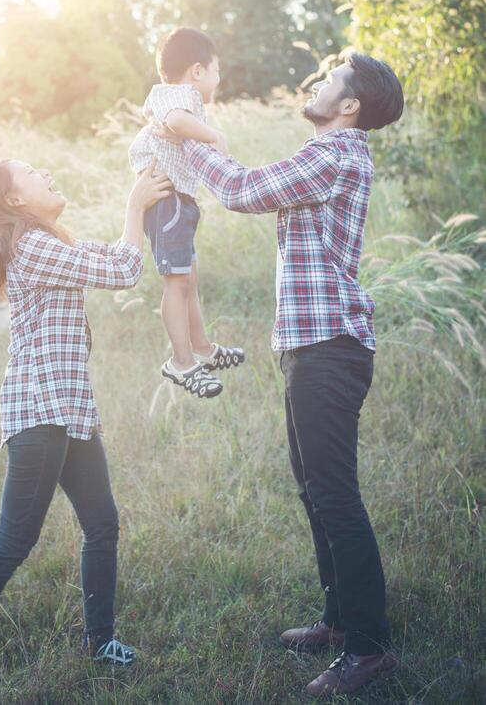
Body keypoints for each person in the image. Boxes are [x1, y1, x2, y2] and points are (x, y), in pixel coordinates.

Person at [157, 53, 404, 699]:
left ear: (350, 105)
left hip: (330, 348)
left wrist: (189, 134)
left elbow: (239, 190)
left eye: (330, 81)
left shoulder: (340, 153)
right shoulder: (326, 154)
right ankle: (339, 618)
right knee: (314, 490)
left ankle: (369, 646)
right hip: (309, 345)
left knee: (334, 494)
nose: (317, 86)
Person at [0, 159, 172, 705]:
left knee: (102, 524)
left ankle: (100, 643)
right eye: (32, 172)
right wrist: (133, 205)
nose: (48, 173)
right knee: (14, 540)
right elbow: (123, 270)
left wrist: (141, 212)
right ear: (13, 201)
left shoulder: (48, 243)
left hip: (68, 408)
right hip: (40, 410)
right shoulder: (30, 246)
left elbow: (110, 258)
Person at [129, 26, 245, 400]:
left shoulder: (184, 99)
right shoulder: (177, 96)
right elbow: (176, 123)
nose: (218, 79)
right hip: (166, 201)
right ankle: (180, 362)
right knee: (177, 284)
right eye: (216, 71)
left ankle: (204, 349)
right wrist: (216, 137)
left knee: (188, 280)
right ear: (197, 71)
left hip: (178, 201)